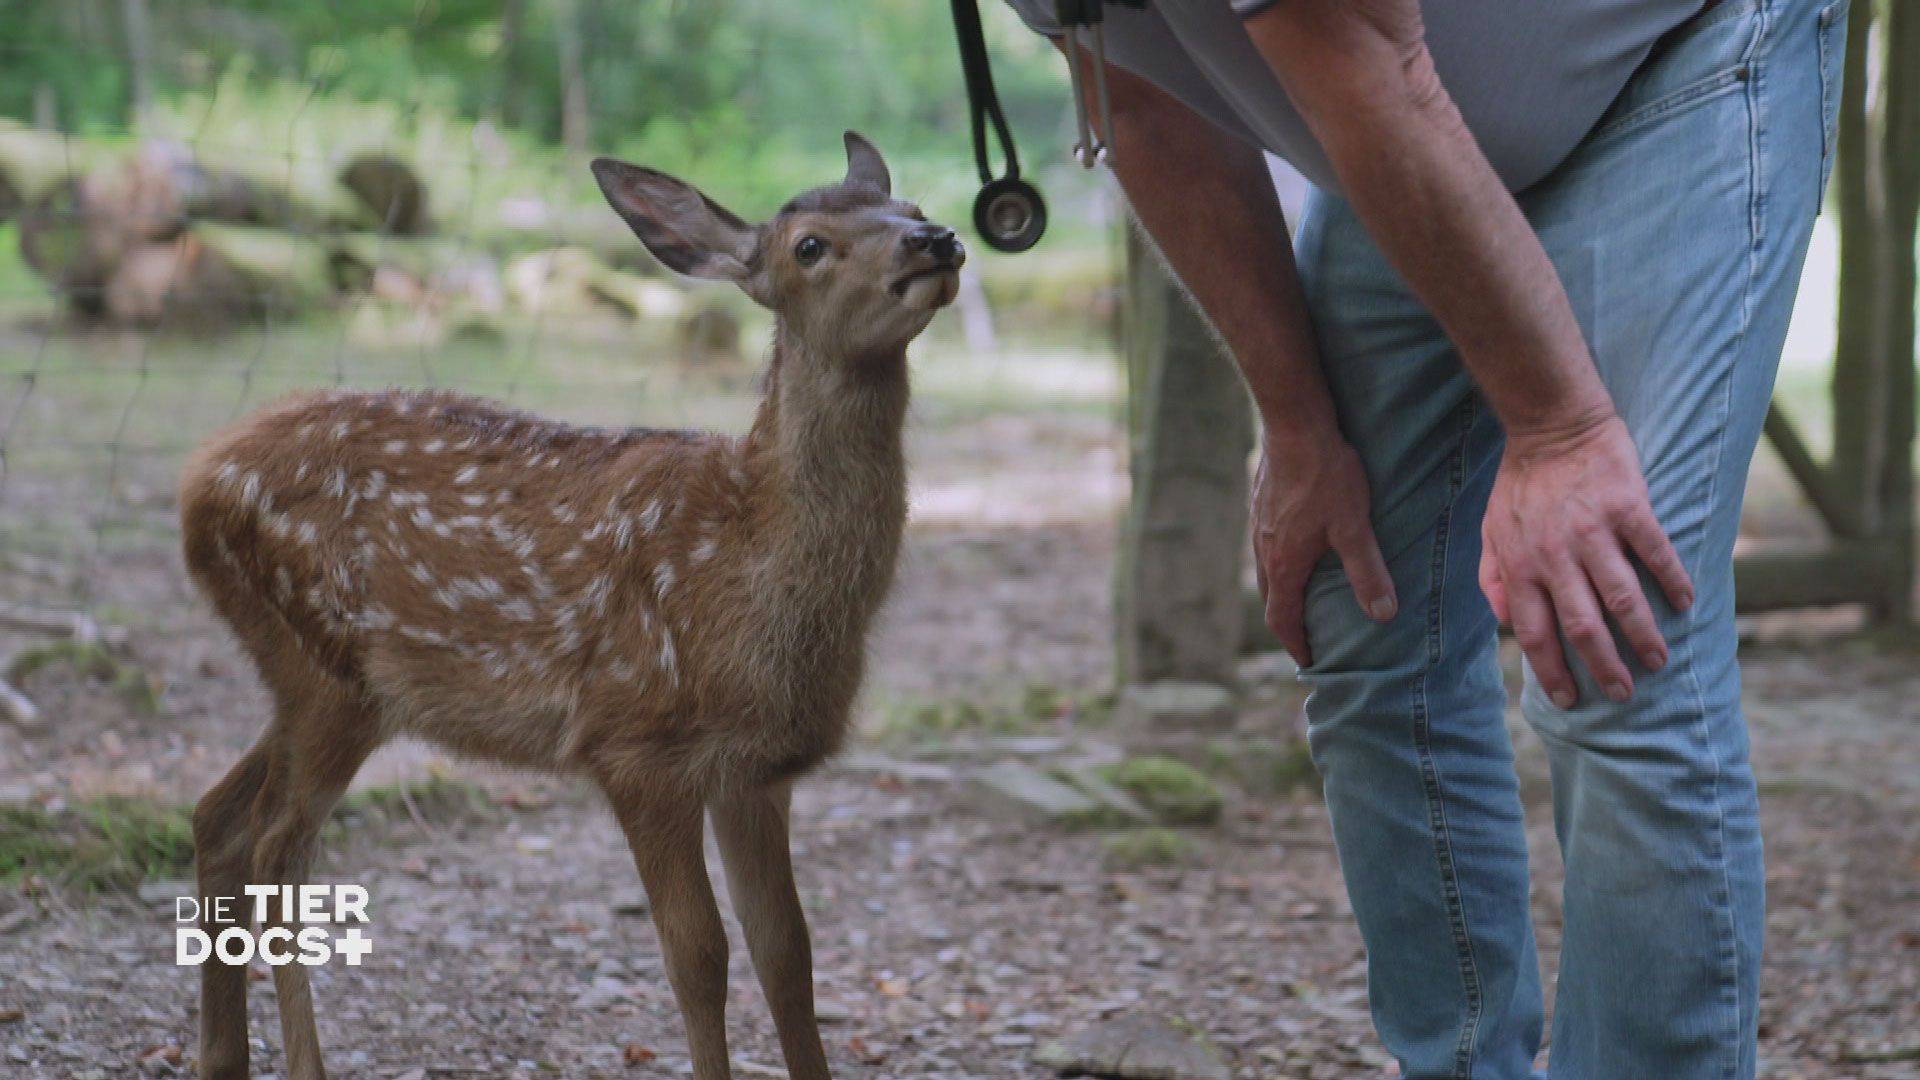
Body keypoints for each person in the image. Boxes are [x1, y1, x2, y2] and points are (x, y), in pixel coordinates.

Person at [1001, 0, 1846, 1076]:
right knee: (1353, 596)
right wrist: (1301, 429)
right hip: (1399, 127)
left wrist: (1560, 432)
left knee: (1613, 625)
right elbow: (1148, 103)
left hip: (1668, 56)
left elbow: (1359, 56)